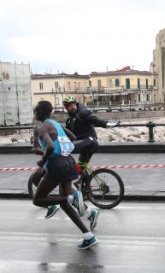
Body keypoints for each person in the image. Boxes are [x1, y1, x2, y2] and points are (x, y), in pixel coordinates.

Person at [32, 100, 99, 250]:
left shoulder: (43, 127)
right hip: (68, 161)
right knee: (65, 205)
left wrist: (43, 159)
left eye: (36, 111)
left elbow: (49, 146)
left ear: (41, 113)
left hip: (57, 165)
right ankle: (88, 236)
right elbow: (73, 137)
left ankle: (71, 197)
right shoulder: (56, 124)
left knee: (38, 199)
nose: (34, 113)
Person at [43, 96, 119, 225]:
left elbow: (93, 120)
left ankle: (71, 171)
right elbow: (67, 134)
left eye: (73, 104)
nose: (71, 107)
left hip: (88, 141)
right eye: (68, 105)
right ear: (65, 107)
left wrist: (107, 124)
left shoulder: (82, 113)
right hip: (85, 144)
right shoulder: (69, 120)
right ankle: (83, 179)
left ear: (76, 104)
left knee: (67, 150)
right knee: (79, 166)